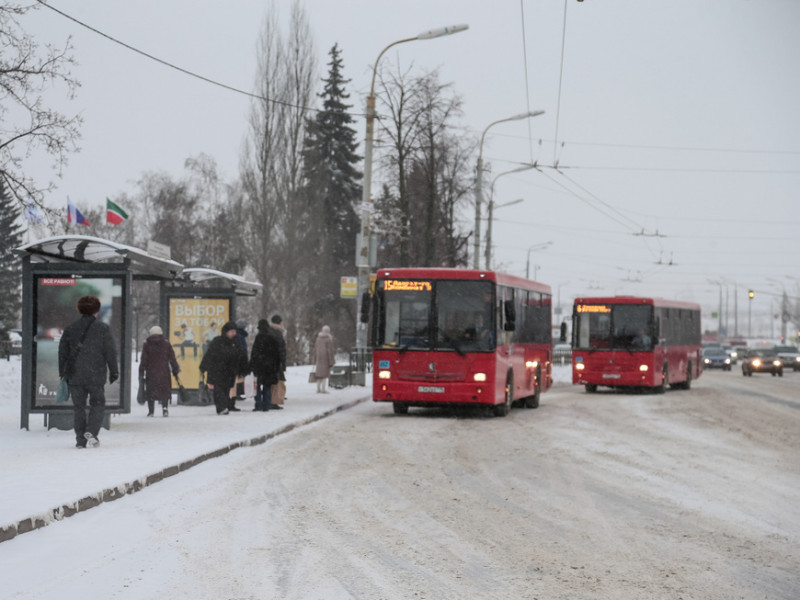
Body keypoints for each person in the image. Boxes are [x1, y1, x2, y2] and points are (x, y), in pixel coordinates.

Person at [58, 296, 119, 448]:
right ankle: (91, 431)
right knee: (98, 403)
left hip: (75, 375)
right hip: (96, 375)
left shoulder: (70, 329)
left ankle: (80, 440)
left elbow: (62, 352)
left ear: (79, 309)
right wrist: (114, 371)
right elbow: (110, 352)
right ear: (97, 310)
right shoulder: (103, 328)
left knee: (78, 407)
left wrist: (63, 372)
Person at [199, 321, 241, 415]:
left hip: (229, 371)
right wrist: (203, 366)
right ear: (226, 332)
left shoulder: (235, 342)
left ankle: (223, 407)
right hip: (217, 370)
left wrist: (240, 368)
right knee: (219, 389)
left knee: (226, 389)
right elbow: (209, 354)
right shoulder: (217, 341)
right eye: (232, 331)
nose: (234, 334)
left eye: (235, 331)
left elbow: (239, 356)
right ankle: (221, 407)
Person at [139, 325, 180, 417]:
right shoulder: (166, 344)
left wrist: (141, 371)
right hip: (164, 372)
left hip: (151, 372)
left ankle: (151, 411)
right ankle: (165, 409)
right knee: (164, 391)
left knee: (151, 391)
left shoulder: (147, 344)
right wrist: (175, 369)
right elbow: (172, 358)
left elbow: (144, 359)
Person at [249, 319, 281, 411]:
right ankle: (266, 405)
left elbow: (254, 353)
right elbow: (277, 354)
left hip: (259, 366)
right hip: (270, 367)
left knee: (257, 387)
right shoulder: (272, 338)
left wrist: (252, 365)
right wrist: (276, 366)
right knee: (267, 386)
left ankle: (258, 405)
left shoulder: (258, 338)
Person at [269, 314, 287, 409]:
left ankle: (270, 401)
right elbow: (281, 350)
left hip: (268, 361)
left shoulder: (268, 331)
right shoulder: (278, 333)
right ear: (280, 323)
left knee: (271, 382)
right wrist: (282, 363)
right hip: (276, 362)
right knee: (277, 382)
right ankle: (274, 401)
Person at [313, 325, 335, 394]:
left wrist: (314, 359)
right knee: (325, 374)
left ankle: (318, 388)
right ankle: (323, 389)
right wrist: (331, 361)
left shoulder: (318, 338)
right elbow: (330, 351)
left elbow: (315, 349)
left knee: (319, 374)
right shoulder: (328, 339)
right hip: (326, 358)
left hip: (319, 357)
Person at [232, 319, 249, 403]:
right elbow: (243, 349)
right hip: (240, 358)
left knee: (238, 376)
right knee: (239, 376)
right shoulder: (240, 336)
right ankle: (237, 393)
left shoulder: (237, 335)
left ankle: (237, 393)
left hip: (238, 358)